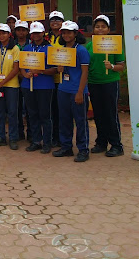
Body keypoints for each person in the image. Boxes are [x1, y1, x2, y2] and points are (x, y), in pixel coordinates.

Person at [86, 14, 126, 157]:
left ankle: (116, 145)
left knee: (110, 114)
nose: (100, 29)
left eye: (103, 27)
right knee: (98, 114)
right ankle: (101, 143)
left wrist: (112, 66)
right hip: (94, 83)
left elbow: (121, 66)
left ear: (108, 29)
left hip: (110, 83)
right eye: (97, 27)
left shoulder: (115, 44)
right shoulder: (89, 45)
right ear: (93, 29)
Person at [52, 20, 91, 162]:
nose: (66, 35)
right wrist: (59, 68)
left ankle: (83, 149)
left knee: (80, 121)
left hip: (77, 90)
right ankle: (66, 147)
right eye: (64, 33)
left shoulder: (81, 50)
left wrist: (80, 92)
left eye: (69, 32)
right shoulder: (61, 50)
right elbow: (60, 69)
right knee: (64, 120)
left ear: (75, 34)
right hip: (63, 89)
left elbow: (85, 72)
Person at [20, 22, 57, 154]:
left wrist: (41, 71)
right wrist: (25, 74)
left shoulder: (50, 49)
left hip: (44, 86)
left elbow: (55, 70)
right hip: (28, 85)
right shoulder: (26, 48)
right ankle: (36, 141)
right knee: (32, 114)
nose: (36, 35)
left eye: (38, 32)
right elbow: (21, 67)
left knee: (45, 115)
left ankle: (47, 142)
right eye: (33, 33)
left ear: (43, 33)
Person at [0, 23, 21, 150]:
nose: (1, 36)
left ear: (9, 35)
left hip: (11, 86)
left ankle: (13, 138)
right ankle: (0, 137)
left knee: (12, 112)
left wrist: (1, 83)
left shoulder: (15, 48)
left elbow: (16, 69)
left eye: (4, 33)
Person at [47, 10, 65, 148]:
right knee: (51, 110)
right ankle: (53, 137)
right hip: (48, 79)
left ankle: (62, 138)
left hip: (63, 79)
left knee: (62, 111)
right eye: (52, 19)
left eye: (58, 19)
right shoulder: (45, 37)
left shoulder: (67, 37)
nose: (55, 22)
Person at [14, 20, 31, 142]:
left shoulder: (31, 44)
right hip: (14, 79)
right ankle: (19, 132)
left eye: (23, 30)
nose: (21, 32)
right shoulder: (12, 44)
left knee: (30, 107)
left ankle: (31, 132)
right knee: (17, 107)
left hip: (29, 78)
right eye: (18, 30)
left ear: (27, 31)